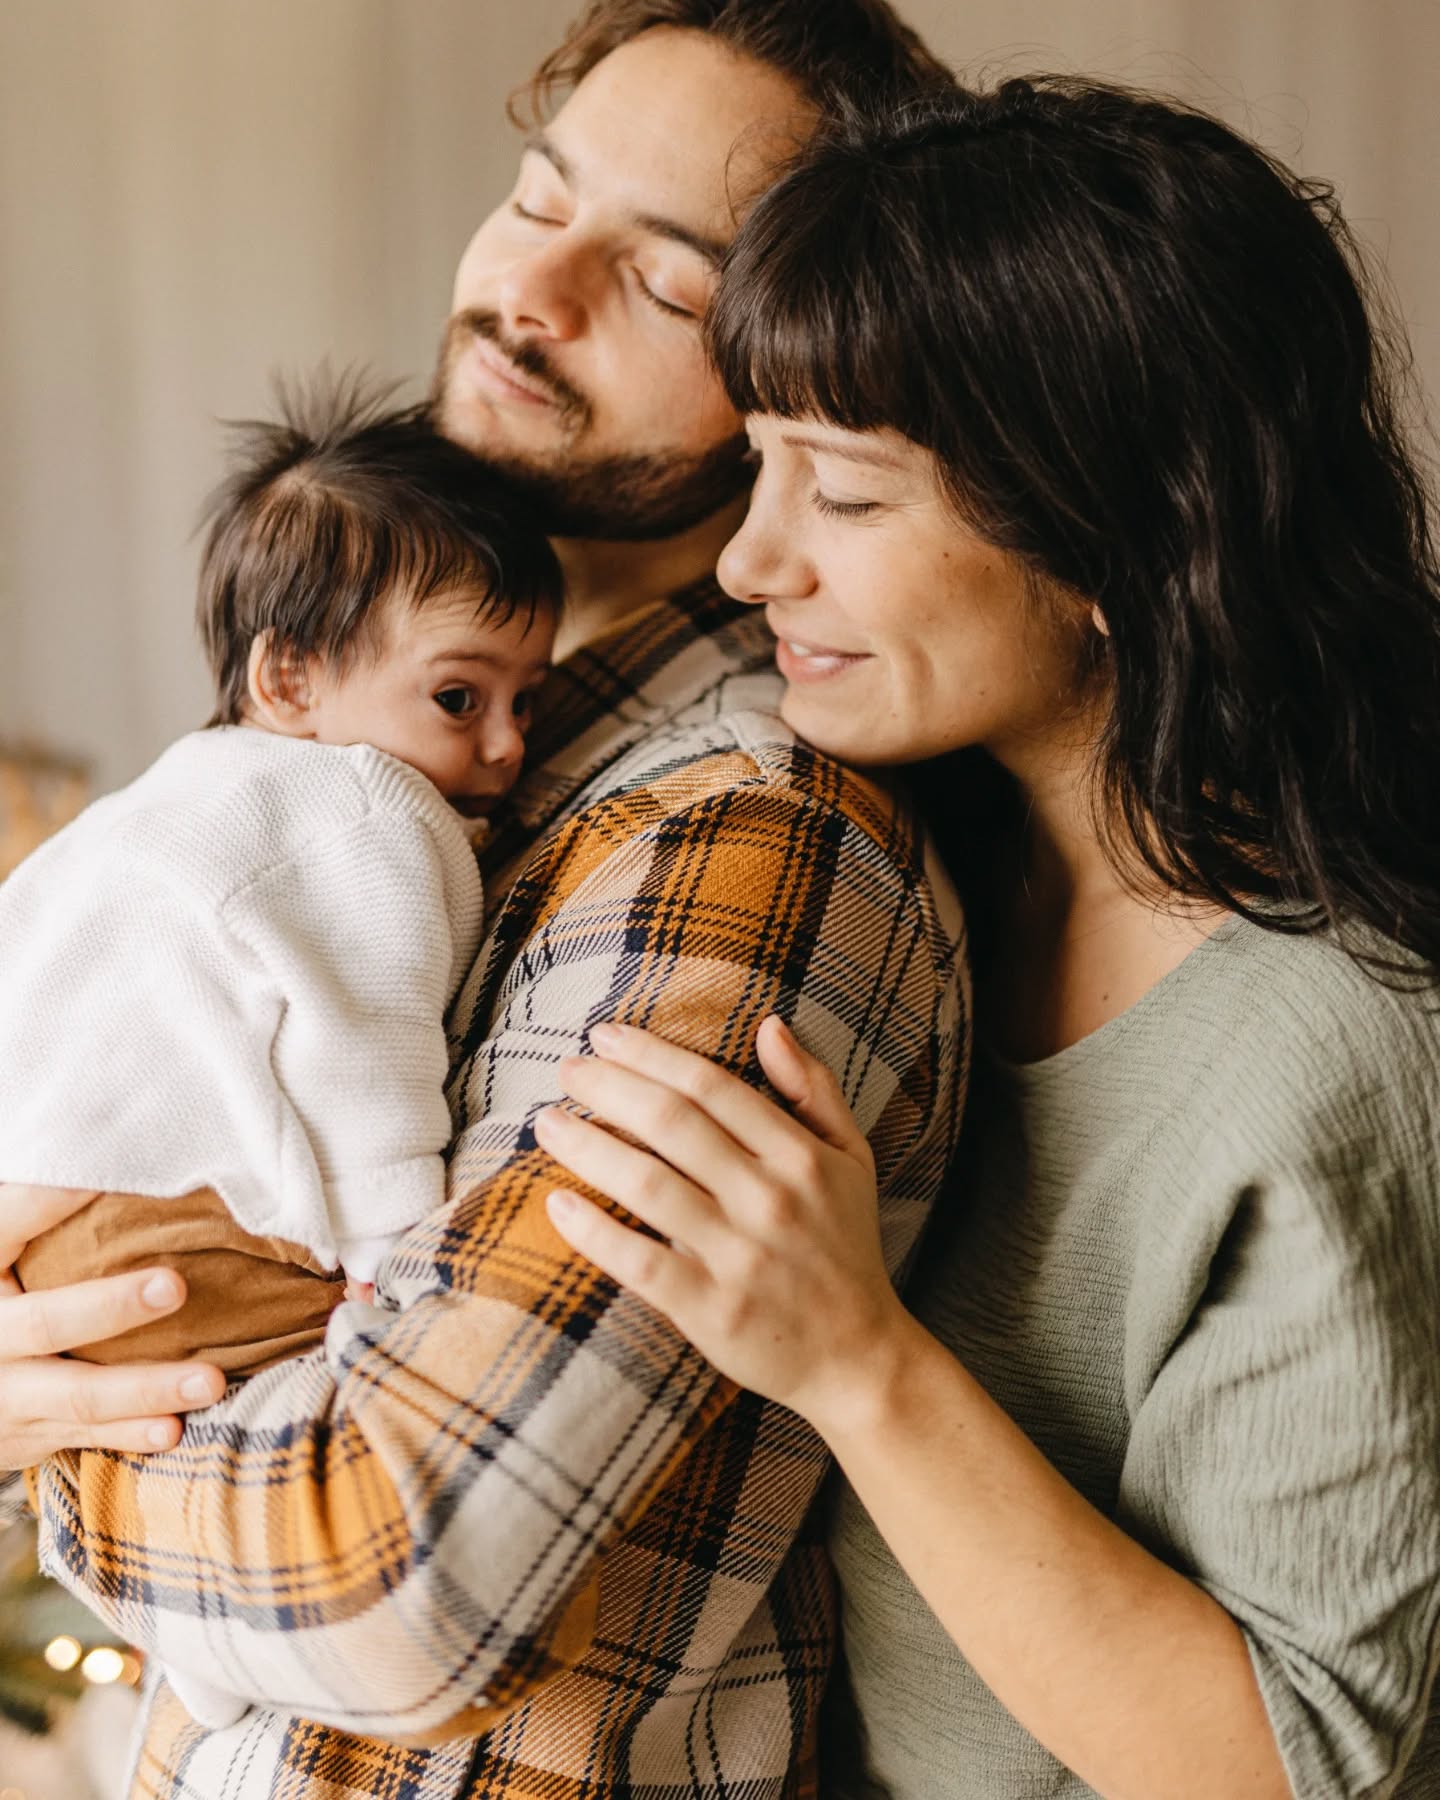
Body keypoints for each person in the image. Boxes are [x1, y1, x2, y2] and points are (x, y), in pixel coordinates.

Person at [0, 7, 964, 1799]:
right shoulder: (426, 748)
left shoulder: (749, 833)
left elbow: (395, 1576)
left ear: (807, 361)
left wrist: (62, 1446)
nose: (537, 290)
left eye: (668, 287)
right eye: (538, 197)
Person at [536, 79, 1440, 1799]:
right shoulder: (913, 853)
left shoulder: (1339, 1040)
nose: (749, 560)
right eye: (759, 468)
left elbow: (1303, 1767)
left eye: (850, 500)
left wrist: (857, 1359)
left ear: (1119, 537)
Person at [2, 379, 559, 1731]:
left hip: (52, 1221)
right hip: (182, 1236)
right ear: (288, 676)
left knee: (134, 1434)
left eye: (527, 702)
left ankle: (187, 1665)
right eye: (457, 694)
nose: (500, 747)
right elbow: (363, 1061)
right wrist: (390, 1268)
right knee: (287, 1397)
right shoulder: (376, 811)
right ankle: (241, 1670)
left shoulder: (160, 802)